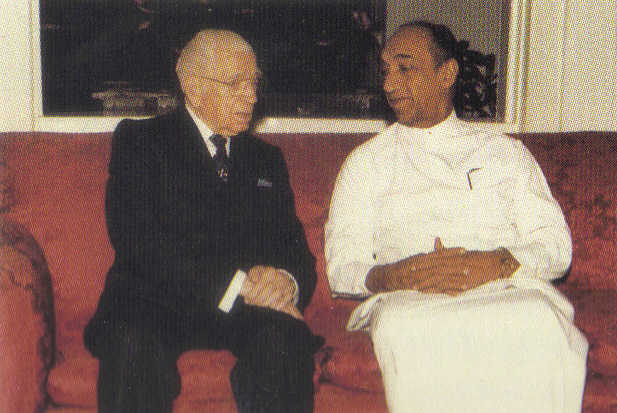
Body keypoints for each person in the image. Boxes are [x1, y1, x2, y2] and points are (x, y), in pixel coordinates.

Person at [325, 20, 588, 413]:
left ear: (446, 73)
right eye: (385, 71)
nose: (389, 84)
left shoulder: (505, 153)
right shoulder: (365, 163)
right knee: (408, 329)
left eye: (405, 68)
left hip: (505, 291)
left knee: (538, 320)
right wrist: (396, 275)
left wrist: (496, 263)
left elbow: (556, 247)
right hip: (412, 300)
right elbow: (342, 268)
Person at [84, 29, 320, 413]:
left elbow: (294, 249)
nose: (252, 96)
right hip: (154, 301)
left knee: (283, 342)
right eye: (236, 83)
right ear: (193, 88)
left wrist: (286, 283)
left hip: (246, 311)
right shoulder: (141, 141)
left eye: (254, 82)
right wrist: (239, 283)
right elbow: (139, 243)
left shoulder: (267, 159)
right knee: (130, 345)